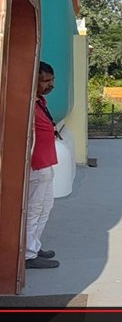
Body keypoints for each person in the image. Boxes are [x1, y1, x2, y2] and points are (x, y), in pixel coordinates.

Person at [25, 61, 60, 270]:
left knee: (45, 207)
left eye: (52, 80)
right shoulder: (28, 104)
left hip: (46, 164)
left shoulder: (40, 102)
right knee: (34, 209)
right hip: (36, 166)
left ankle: (34, 246)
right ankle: (28, 254)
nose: (51, 84)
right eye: (45, 81)